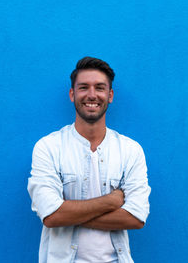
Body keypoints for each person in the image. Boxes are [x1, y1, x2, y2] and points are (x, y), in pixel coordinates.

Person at [27, 56, 151, 263]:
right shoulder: (48, 147)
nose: (92, 95)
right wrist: (110, 202)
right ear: (72, 94)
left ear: (110, 95)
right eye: (84, 87)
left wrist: (68, 213)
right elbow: (51, 217)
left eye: (100, 88)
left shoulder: (130, 150)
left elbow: (136, 217)